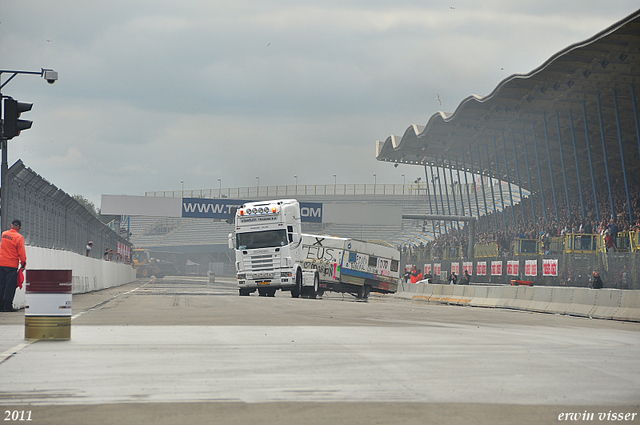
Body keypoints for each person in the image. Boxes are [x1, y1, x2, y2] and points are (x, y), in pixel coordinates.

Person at [0, 219, 27, 312]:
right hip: (11, 265)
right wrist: (23, 263)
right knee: (10, 286)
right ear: (19, 228)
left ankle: (0, 305)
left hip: (1, 263)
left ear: (11, 226)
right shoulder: (19, 237)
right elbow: (21, 252)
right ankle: (7, 306)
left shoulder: (4, 234)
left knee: (1, 285)